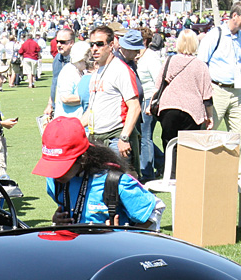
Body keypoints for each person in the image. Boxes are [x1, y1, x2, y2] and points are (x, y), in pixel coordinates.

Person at [33, 116, 164, 230]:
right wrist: (57, 220)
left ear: (82, 158)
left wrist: (128, 233)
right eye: (51, 166)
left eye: (61, 166)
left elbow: (155, 209)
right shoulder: (53, 181)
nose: (55, 174)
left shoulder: (114, 181)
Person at [85, 24, 141, 173]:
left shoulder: (120, 69)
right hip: (96, 138)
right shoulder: (97, 72)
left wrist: (124, 138)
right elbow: (91, 110)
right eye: (92, 44)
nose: (94, 48)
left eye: (99, 44)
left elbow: (134, 106)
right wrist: (71, 127)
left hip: (116, 137)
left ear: (111, 45)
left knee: (121, 183)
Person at [196, 1, 241, 148]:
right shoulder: (215, 35)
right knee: (207, 131)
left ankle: (239, 171)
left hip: (237, 91)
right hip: (217, 90)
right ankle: (200, 167)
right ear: (234, 15)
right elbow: (201, 63)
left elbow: (236, 64)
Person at [156, 30, 215, 151]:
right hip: (192, 110)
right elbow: (207, 95)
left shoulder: (169, 61)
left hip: (169, 107)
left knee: (169, 144)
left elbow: (158, 85)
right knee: (188, 147)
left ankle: (170, 168)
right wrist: (210, 116)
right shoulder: (201, 65)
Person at [137, 32, 166, 181]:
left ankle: (148, 173)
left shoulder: (150, 58)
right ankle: (161, 162)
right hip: (141, 100)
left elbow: (159, 81)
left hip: (149, 100)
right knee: (142, 136)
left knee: (145, 137)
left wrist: (152, 103)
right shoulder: (141, 57)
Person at [54, 40, 92, 120]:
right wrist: (89, 98)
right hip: (67, 121)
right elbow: (65, 98)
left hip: (76, 120)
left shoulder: (81, 71)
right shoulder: (69, 71)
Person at [44, 27, 74, 118]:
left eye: (63, 42)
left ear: (71, 43)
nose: (59, 45)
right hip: (57, 108)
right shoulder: (57, 58)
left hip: (72, 109)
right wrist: (50, 104)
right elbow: (55, 83)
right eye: (57, 42)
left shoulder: (77, 60)